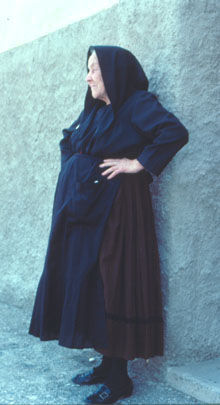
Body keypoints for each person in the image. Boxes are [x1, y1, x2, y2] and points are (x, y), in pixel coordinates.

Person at [29, 45, 188, 404]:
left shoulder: (136, 104)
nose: (87, 77)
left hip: (116, 212)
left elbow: (174, 132)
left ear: (114, 72)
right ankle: (105, 364)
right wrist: (74, 172)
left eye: (93, 69)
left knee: (110, 283)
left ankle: (119, 379)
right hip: (84, 210)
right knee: (87, 280)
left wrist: (138, 163)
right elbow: (67, 140)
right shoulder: (95, 110)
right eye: (87, 69)